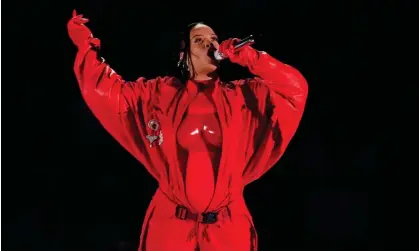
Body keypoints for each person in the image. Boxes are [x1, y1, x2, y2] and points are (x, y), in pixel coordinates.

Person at [67, 9, 308, 251]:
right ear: (184, 54)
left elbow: (295, 88)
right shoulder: (159, 95)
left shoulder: (244, 96)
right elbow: (105, 90)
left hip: (227, 223)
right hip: (171, 223)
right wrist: (84, 44)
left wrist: (252, 58)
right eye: (199, 40)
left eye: (213, 39)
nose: (210, 44)